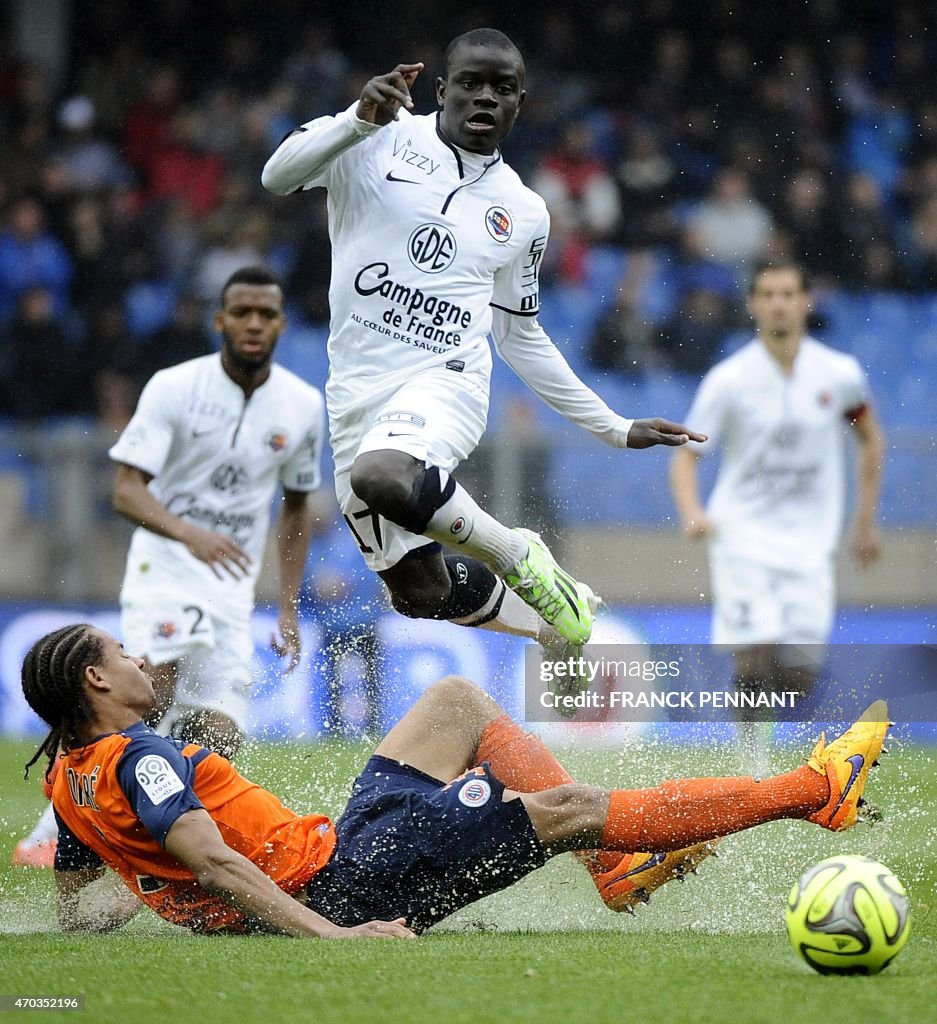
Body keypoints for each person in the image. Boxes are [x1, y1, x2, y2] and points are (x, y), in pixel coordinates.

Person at [261, 28, 704, 668]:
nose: (485, 98)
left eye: (503, 89)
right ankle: (554, 623)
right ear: (442, 91)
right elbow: (277, 176)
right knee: (419, 592)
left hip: (446, 381)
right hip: (355, 393)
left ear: (520, 105)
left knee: (382, 474)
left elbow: (518, 334)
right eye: (471, 83)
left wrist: (613, 425)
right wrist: (357, 118)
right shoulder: (375, 135)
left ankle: (516, 553)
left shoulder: (522, 211)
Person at [23, 623, 887, 937]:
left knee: (456, 700)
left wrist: (158, 894)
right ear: (96, 683)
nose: (138, 659)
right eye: (119, 654)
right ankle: (815, 792)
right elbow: (213, 863)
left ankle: (613, 870)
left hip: (336, 850)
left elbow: (77, 914)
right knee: (570, 808)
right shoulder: (142, 756)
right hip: (342, 887)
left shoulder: (70, 775)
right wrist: (329, 938)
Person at [12, 266, 325, 867]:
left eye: (266, 314)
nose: (254, 324)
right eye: (242, 313)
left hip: (232, 586)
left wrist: (287, 604)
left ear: (282, 323)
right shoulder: (175, 387)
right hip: (168, 564)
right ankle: (54, 829)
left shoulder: (301, 404)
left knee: (218, 734)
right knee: (147, 691)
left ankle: (161, 842)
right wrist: (190, 534)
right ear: (221, 321)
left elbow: (296, 508)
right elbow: (126, 490)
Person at [669, 259, 885, 771]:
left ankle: (774, 741)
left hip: (811, 543)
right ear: (753, 305)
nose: (779, 303)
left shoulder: (840, 376)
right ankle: (753, 767)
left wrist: (864, 523)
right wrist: (693, 512)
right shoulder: (729, 379)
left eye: (788, 293)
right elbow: (686, 454)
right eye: (768, 294)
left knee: (801, 673)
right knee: (753, 647)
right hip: (741, 533)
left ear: (806, 301)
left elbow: (870, 440)